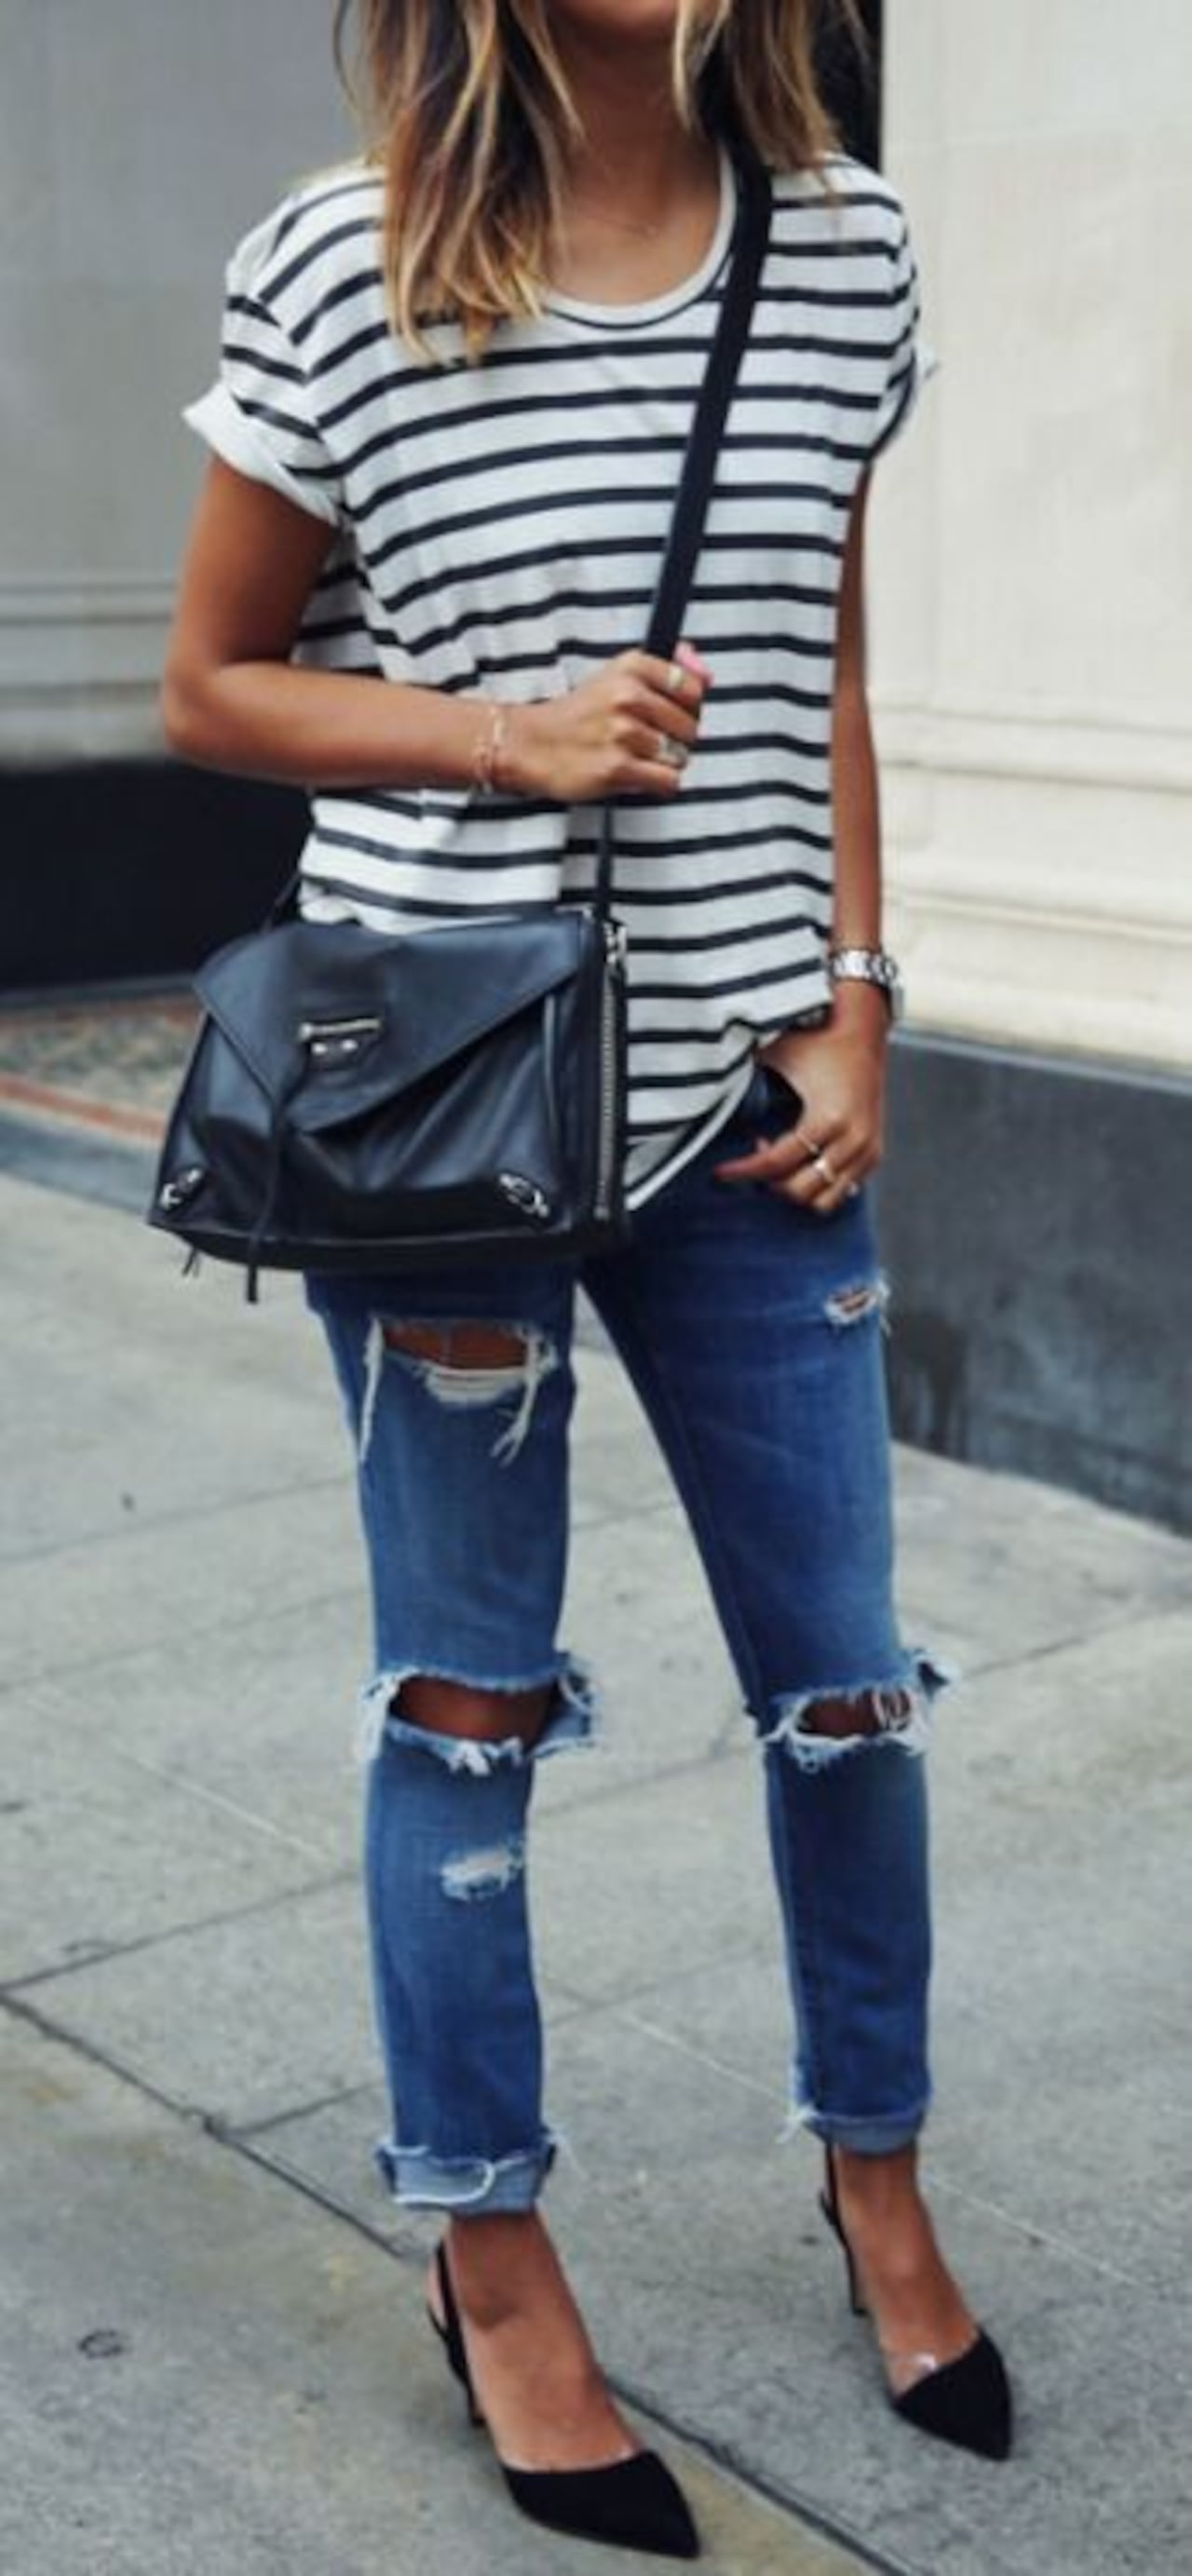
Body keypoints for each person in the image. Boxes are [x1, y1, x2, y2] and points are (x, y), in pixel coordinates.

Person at [162, 0, 1012, 2555]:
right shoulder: (346, 264)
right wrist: (504, 738)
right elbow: (210, 686)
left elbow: (825, 668)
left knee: (850, 1690)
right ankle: (491, 2249)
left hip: (758, 1106)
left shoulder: (845, 250)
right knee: (466, 1705)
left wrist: (858, 992)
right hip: (445, 1112)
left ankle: (877, 2176)